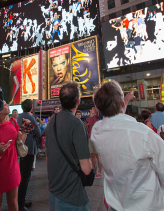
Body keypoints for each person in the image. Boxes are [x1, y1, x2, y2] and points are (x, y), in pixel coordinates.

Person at [91, 81, 164, 211]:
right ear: (123, 104)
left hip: (116, 204)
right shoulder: (142, 133)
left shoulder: (96, 131)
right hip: (149, 205)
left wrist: (124, 100)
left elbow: (113, 120)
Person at [46, 81, 93, 210]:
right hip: (72, 194)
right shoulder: (77, 124)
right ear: (78, 100)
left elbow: (47, 156)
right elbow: (87, 169)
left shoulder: (52, 122)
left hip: (53, 190)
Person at [0, 100, 28, 211]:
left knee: (13, 204)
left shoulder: (12, 121)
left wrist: (26, 129)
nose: (8, 105)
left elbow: (20, 141)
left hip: (13, 168)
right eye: (4, 104)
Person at [17, 99, 41, 211]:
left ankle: (20, 201)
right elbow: (38, 133)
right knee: (25, 178)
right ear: (31, 107)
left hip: (21, 148)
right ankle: (20, 204)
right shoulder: (30, 117)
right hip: (29, 149)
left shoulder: (18, 117)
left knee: (22, 176)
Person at [86, 105, 102, 179]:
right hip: (90, 137)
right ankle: (95, 171)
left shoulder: (96, 116)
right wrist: (86, 126)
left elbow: (97, 111)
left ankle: (100, 172)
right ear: (89, 110)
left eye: (94, 109)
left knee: (98, 156)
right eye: (92, 109)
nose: (94, 110)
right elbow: (87, 129)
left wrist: (95, 103)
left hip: (96, 138)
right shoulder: (87, 118)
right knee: (92, 155)